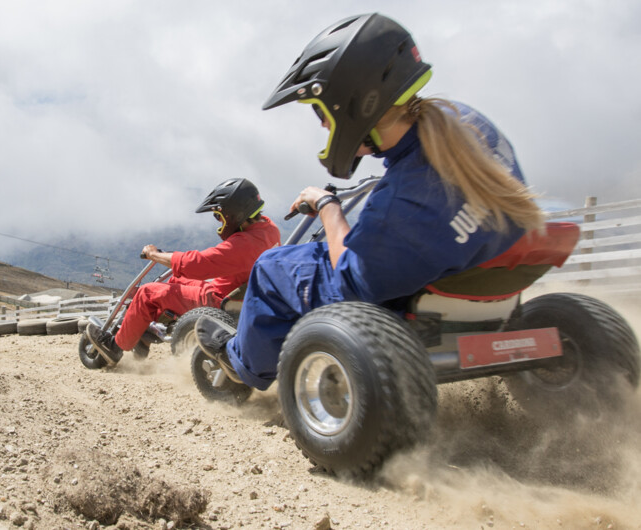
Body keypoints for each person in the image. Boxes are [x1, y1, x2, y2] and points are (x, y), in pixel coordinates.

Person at [195, 13, 546, 390]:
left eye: (321, 111)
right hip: (483, 263)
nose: (322, 125)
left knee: (270, 266)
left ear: (356, 105)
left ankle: (241, 364)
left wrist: (327, 205)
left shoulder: (401, 199)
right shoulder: (463, 122)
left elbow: (350, 281)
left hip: (400, 292)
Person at [86, 178, 281, 364]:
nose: (219, 221)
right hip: (237, 295)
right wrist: (173, 260)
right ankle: (143, 332)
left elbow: (198, 264)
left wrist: (154, 254)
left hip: (219, 300)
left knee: (147, 292)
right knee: (175, 278)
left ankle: (115, 346)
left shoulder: (244, 244)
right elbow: (200, 264)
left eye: (219, 216)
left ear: (234, 214)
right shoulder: (268, 229)